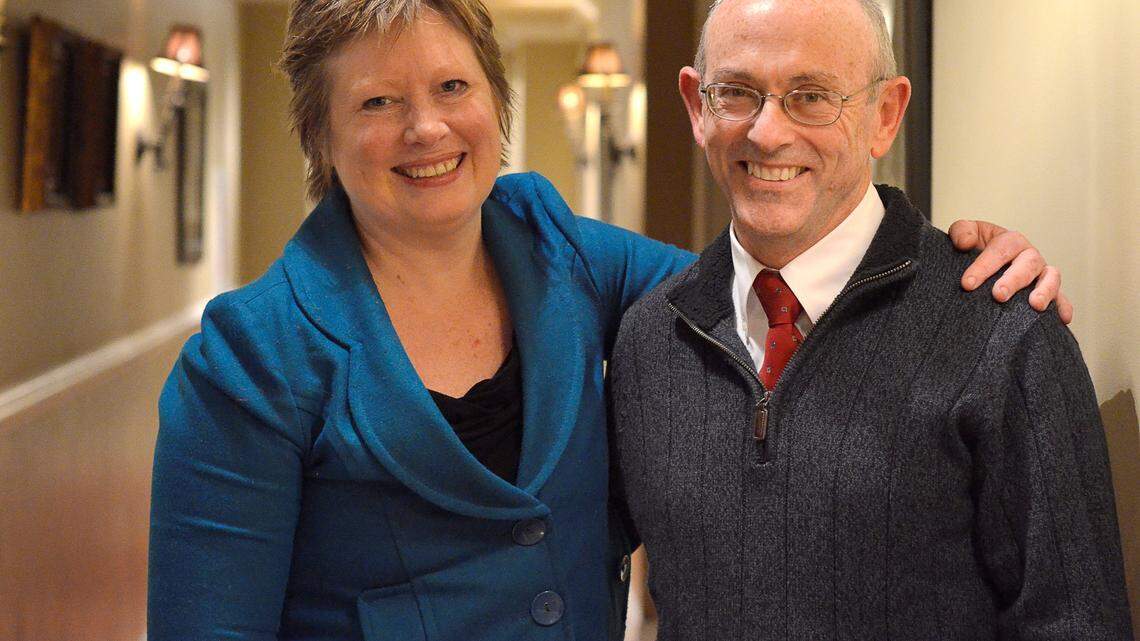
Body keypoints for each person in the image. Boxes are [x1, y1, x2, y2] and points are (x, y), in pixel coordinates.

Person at [148, 1, 1072, 640]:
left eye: (451, 89)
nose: (426, 129)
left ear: (494, 102)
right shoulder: (249, 359)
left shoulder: (557, 250)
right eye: (377, 103)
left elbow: (768, 290)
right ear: (320, 134)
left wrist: (952, 262)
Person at [608, 0, 1133, 639]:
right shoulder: (648, 343)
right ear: (696, 106)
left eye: (812, 97)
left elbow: (1075, 623)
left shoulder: (1003, 332)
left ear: (886, 115)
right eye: (738, 93)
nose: (768, 133)